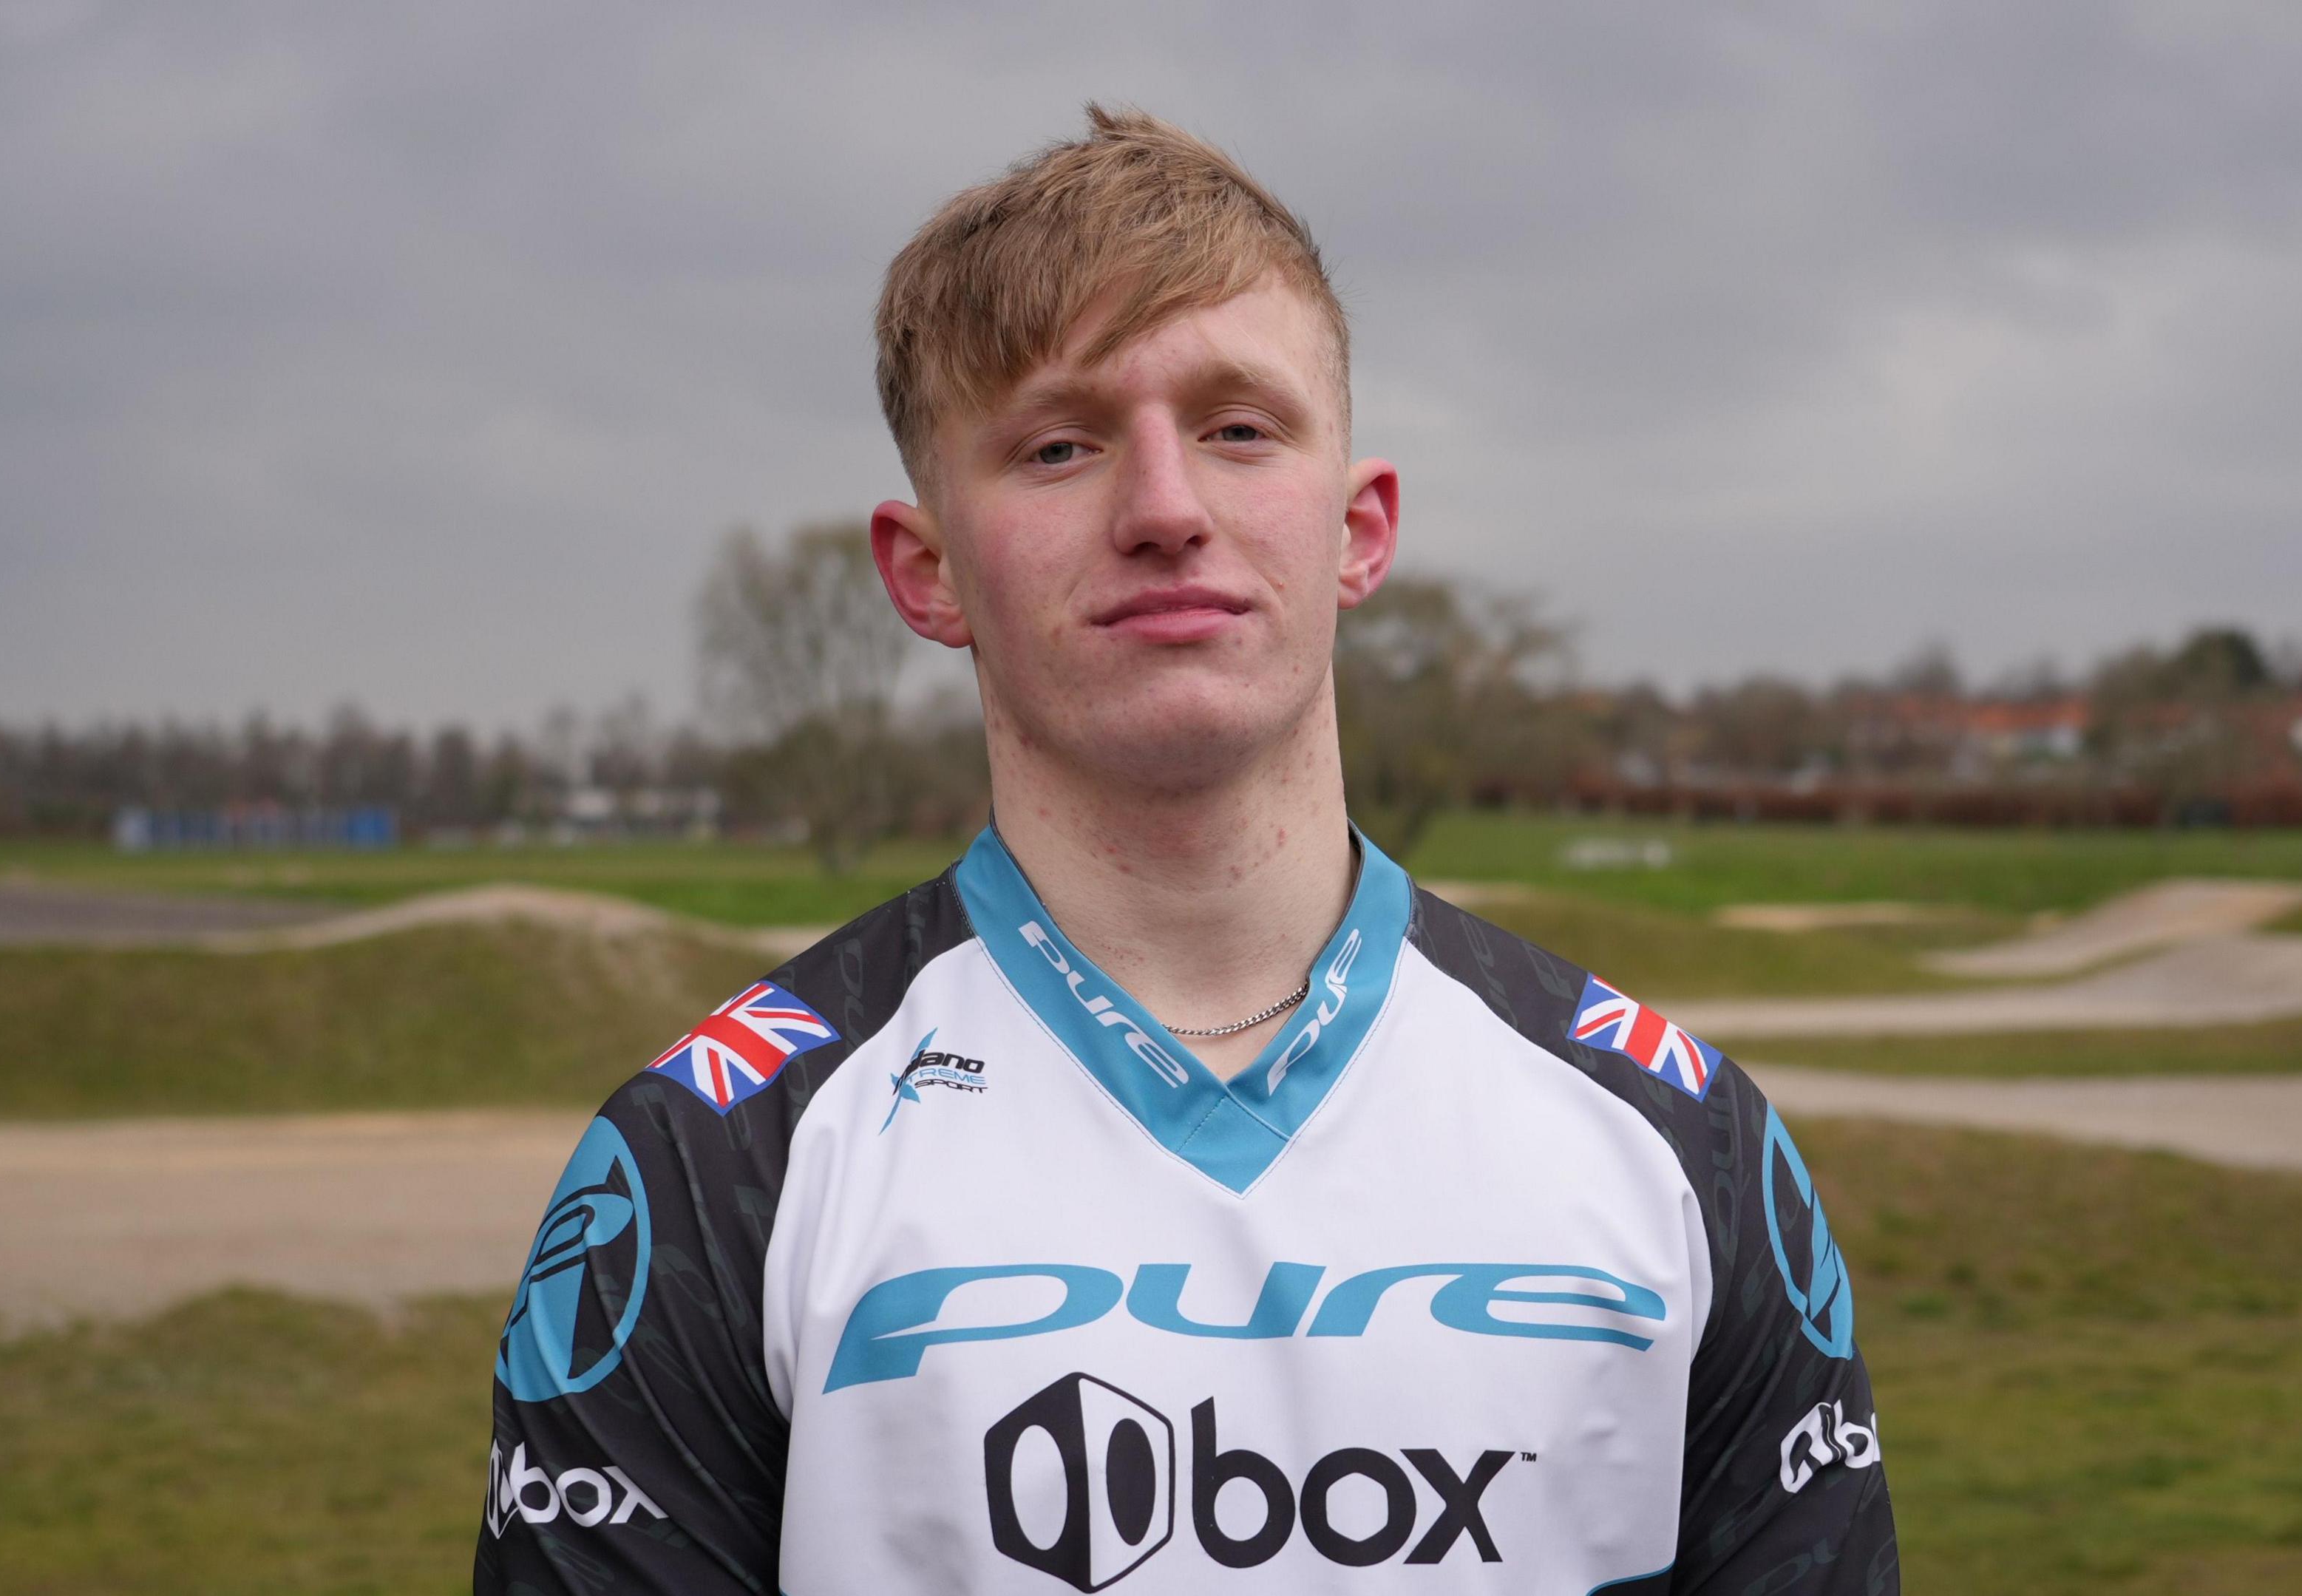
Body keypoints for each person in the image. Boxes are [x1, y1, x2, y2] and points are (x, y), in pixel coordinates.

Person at [476, 105, 1895, 1595]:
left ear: (1360, 531)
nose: (1165, 510)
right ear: (927, 567)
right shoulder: (709, 1168)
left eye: (1238, 430)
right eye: (1060, 445)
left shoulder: (1682, 1143)